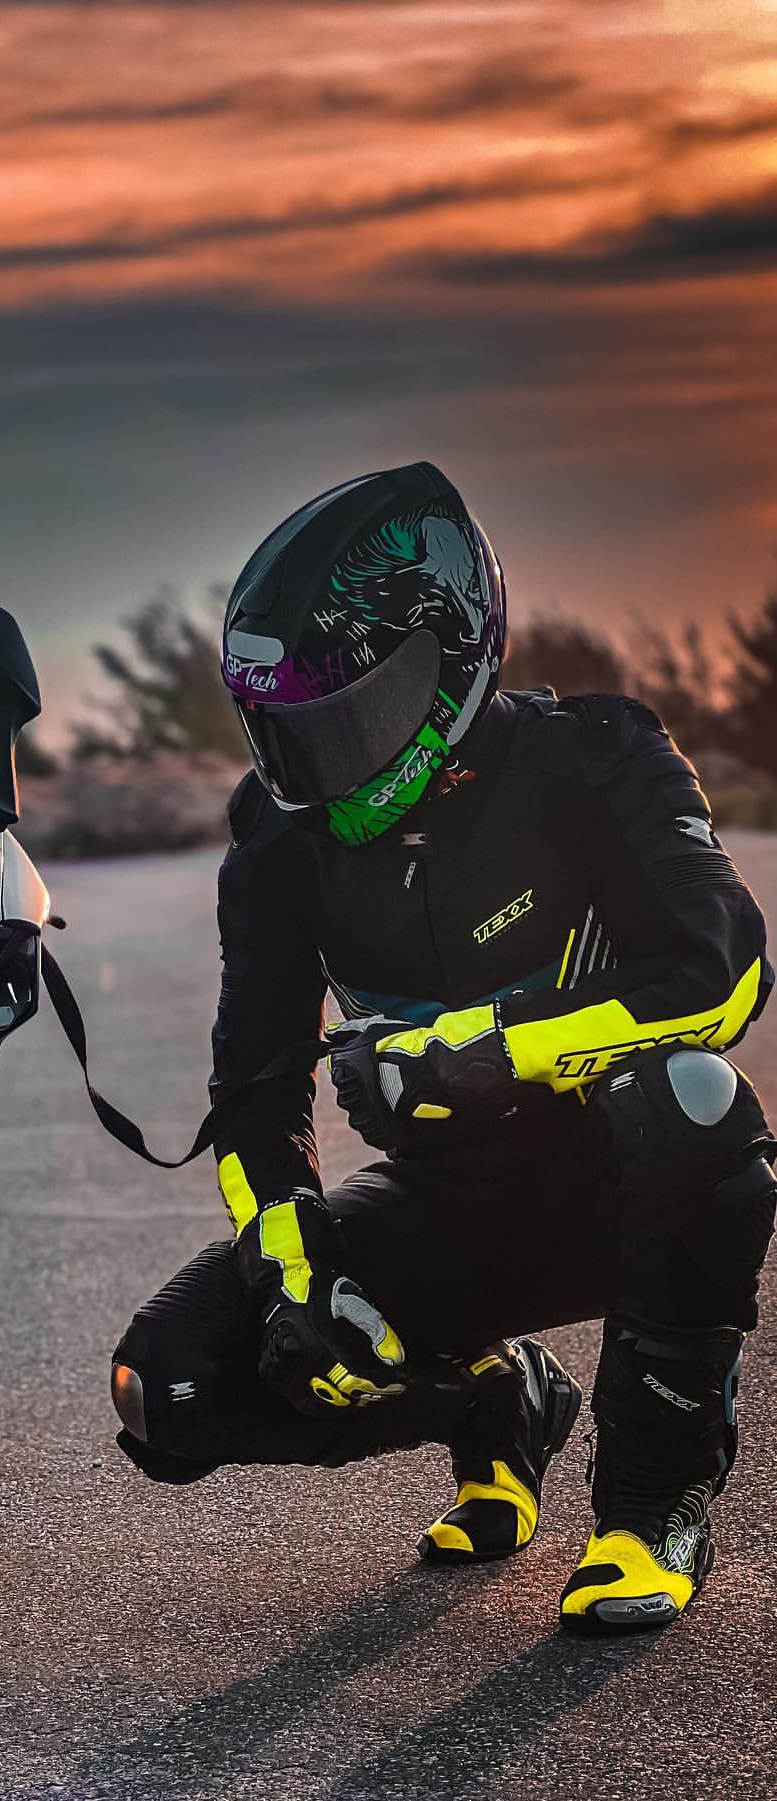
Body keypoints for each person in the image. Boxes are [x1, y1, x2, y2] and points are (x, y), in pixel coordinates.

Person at [110, 461, 776, 1632]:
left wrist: (486, 1049)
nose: (316, 767)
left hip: (622, 1192)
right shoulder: (276, 839)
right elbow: (253, 1094)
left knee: (700, 1100)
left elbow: (725, 973)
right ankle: (492, 1403)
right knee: (165, 1387)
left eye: (345, 719)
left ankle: (650, 1507)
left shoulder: (595, 753)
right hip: (451, 1211)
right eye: (288, 733)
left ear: (450, 661)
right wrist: (293, 1265)